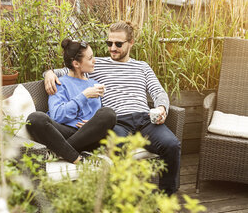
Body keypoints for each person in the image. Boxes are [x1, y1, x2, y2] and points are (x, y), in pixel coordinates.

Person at [44, 21, 180, 195]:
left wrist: (162, 108)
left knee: (172, 145)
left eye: (118, 44)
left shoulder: (142, 67)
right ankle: (121, 198)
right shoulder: (96, 64)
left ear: (131, 42)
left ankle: (166, 198)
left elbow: (158, 92)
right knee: (117, 149)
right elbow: (69, 68)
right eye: (109, 43)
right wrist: (49, 73)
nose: (112, 48)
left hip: (145, 120)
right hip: (117, 122)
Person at [26, 38, 116, 164]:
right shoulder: (59, 83)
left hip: (89, 136)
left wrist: (90, 125)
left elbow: (99, 118)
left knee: (109, 114)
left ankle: (59, 152)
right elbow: (57, 116)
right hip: (63, 132)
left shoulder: (94, 84)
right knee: (35, 119)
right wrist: (84, 96)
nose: (94, 61)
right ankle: (76, 157)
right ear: (76, 64)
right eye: (90, 58)